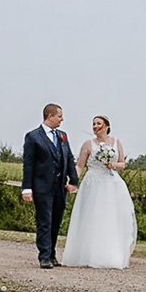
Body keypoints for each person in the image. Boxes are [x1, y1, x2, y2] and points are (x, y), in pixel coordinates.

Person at [61, 115, 137, 269]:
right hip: (93, 183)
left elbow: (123, 163)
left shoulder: (116, 142)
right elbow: (80, 166)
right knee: (92, 215)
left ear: (107, 126)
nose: (95, 127)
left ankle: (110, 254)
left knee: (111, 216)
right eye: (94, 124)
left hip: (112, 183)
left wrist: (113, 164)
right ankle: (87, 253)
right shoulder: (88, 144)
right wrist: (73, 181)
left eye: (99, 124)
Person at [21, 103, 79, 269]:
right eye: (60, 116)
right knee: (44, 221)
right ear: (50, 116)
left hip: (60, 187)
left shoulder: (62, 136)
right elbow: (29, 164)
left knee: (56, 221)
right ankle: (44, 256)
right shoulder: (33, 137)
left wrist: (73, 181)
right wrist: (27, 188)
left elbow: (69, 158)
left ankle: (52, 254)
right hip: (42, 187)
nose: (62, 119)